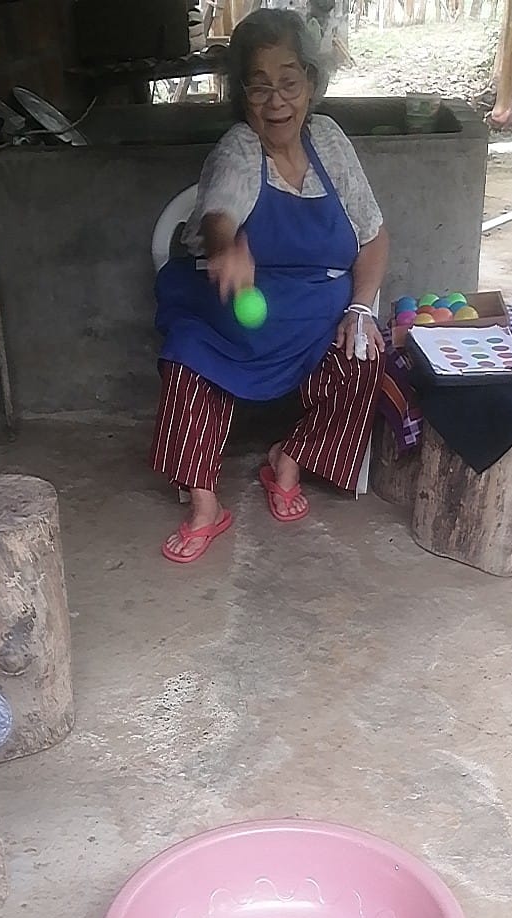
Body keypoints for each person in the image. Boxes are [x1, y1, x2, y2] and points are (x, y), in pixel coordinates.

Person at [150, 8, 390, 562]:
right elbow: (219, 211)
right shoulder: (240, 147)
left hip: (315, 317)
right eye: (260, 87)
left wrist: (359, 309)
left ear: (311, 82)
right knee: (186, 361)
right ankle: (205, 506)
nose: (276, 101)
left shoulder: (329, 140)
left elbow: (373, 236)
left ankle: (288, 459)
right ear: (242, 95)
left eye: (289, 82)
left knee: (363, 358)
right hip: (230, 316)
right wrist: (226, 247)